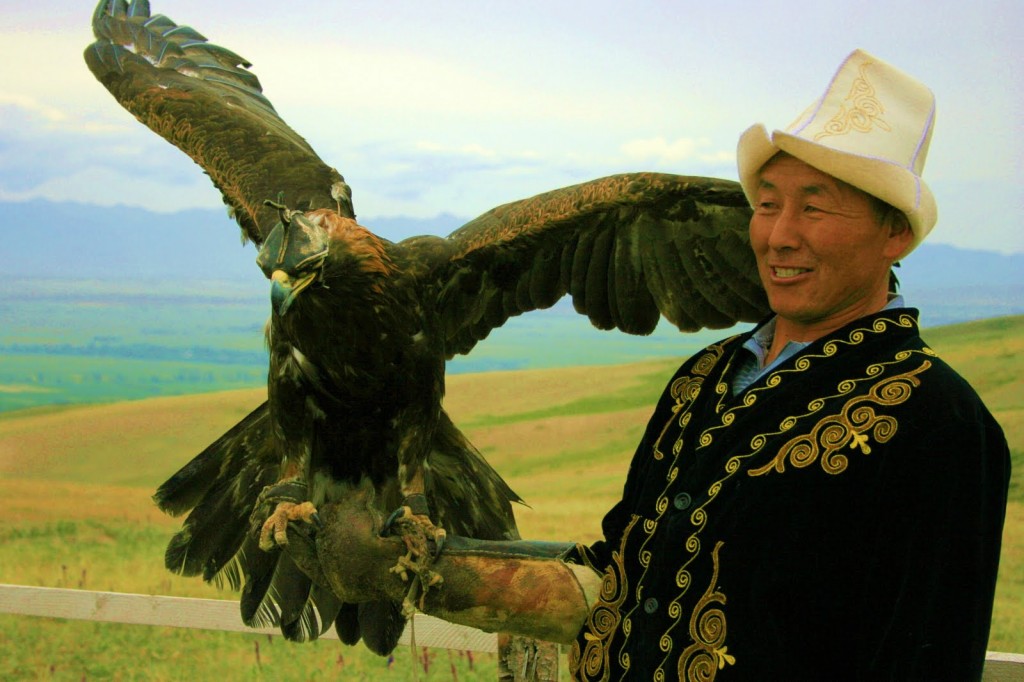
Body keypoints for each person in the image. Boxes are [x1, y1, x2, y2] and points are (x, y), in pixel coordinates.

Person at [288, 49, 1011, 681]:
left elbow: (927, 660)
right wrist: (422, 572)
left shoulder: (936, 424)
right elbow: (617, 580)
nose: (780, 236)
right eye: (765, 204)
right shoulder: (703, 381)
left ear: (895, 235)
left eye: (815, 209)